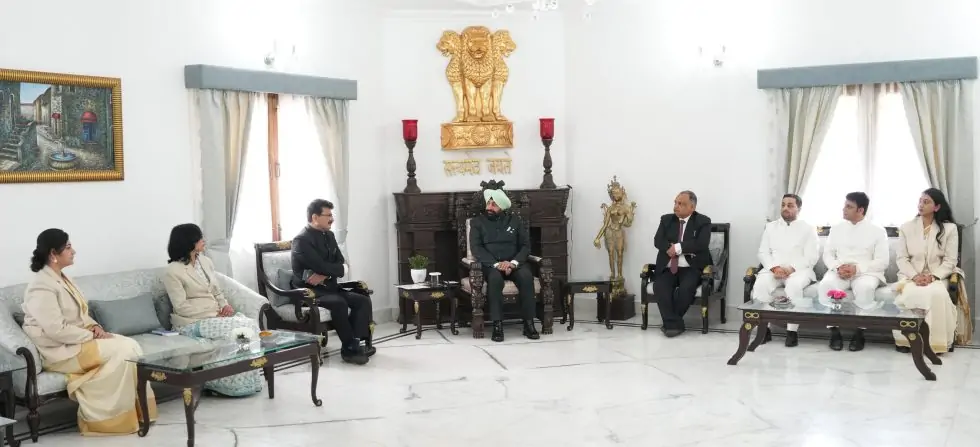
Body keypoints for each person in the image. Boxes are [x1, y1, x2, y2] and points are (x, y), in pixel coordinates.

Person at [21, 229, 157, 435]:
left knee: (132, 346)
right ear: (53, 254)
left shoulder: (62, 278)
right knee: (123, 352)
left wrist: (95, 327)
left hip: (78, 340)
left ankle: (139, 412)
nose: (73, 251)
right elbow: (56, 330)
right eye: (68, 247)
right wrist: (91, 335)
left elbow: (81, 315)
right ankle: (105, 420)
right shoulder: (40, 286)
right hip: (60, 351)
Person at [161, 223, 263, 396]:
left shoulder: (205, 261)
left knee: (250, 324)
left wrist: (225, 306)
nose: (204, 240)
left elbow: (216, 291)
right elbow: (181, 306)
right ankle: (217, 380)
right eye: (199, 238)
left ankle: (244, 381)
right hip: (191, 323)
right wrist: (214, 313)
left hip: (214, 316)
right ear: (188, 242)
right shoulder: (173, 271)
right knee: (241, 329)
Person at [292, 199, 373, 365]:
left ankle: (356, 344)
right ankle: (349, 349)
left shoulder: (329, 235)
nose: (332, 219)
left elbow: (341, 262)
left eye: (331, 215)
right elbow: (321, 266)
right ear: (315, 217)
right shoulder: (301, 240)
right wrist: (335, 270)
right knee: (339, 303)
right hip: (309, 292)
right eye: (328, 215)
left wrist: (326, 275)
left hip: (330, 287)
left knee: (362, 300)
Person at [817, 192, 889, 352]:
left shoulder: (877, 231)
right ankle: (834, 331)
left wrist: (857, 269)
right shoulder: (836, 229)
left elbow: (882, 261)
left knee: (865, 288)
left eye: (849, 207)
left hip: (867, 272)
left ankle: (859, 333)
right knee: (826, 285)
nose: (844, 209)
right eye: (845, 205)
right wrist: (838, 267)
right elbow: (828, 254)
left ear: (860, 210)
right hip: (839, 271)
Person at [893, 188, 960, 354]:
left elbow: (950, 261)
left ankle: (935, 343)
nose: (921, 205)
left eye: (926, 202)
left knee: (936, 294)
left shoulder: (950, 229)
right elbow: (902, 258)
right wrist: (915, 276)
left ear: (936, 207)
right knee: (909, 293)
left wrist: (932, 277)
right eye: (920, 201)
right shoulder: (906, 227)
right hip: (911, 276)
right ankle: (906, 341)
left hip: (938, 276)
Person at [469, 187, 539, 343]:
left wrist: (512, 263)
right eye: (488, 203)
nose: (489, 207)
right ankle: (497, 325)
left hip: (514, 263)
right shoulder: (477, 222)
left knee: (526, 277)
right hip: (491, 265)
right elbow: (476, 248)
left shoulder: (515, 221)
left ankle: (529, 324)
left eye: (494, 204)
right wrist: (496, 264)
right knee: (495, 280)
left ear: (501, 206)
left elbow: (525, 246)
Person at [752, 194, 819, 347]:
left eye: (790, 205)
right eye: (783, 205)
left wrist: (791, 268)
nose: (785, 208)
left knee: (794, 286)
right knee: (761, 285)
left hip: (799, 270)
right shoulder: (771, 227)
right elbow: (763, 252)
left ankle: (792, 332)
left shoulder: (808, 229)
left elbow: (811, 256)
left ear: (798, 208)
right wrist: (774, 267)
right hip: (773, 269)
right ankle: (764, 330)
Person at [652, 191, 713, 337]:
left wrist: (678, 248)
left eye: (681, 204)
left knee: (686, 288)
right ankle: (674, 324)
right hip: (668, 267)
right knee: (660, 286)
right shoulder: (666, 220)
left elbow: (701, 243)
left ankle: (670, 324)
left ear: (692, 207)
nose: (676, 206)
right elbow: (658, 240)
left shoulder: (703, 221)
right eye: (675, 202)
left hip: (691, 267)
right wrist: (669, 247)